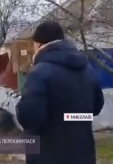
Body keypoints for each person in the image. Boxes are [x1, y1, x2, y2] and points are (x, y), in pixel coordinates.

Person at [16, 20, 104, 164]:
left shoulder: (39, 73)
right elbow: (96, 107)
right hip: (84, 154)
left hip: (48, 155)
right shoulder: (87, 70)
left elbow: (30, 117)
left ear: (39, 44)